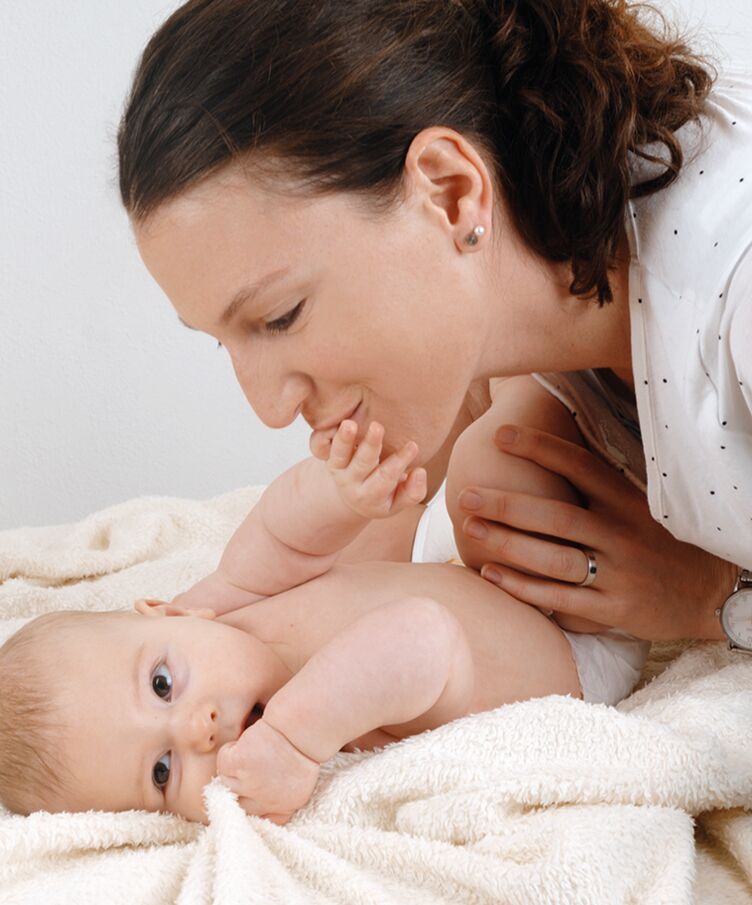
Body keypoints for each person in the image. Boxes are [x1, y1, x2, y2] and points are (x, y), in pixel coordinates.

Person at [113, 0, 752, 643]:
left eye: (281, 316)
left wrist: (712, 600)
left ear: (449, 191)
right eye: (223, 343)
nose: (270, 410)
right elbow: (343, 582)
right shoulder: (517, 301)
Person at [0, 419, 590, 824]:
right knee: (494, 462)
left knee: (382, 516)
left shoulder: (221, 605)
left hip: (456, 567)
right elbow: (425, 636)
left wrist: (337, 493)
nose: (198, 729)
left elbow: (280, 529)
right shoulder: (314, 727)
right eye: (163, 772)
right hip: (566, 637)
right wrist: (295, 742)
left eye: (162, 684)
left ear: (170, 611)